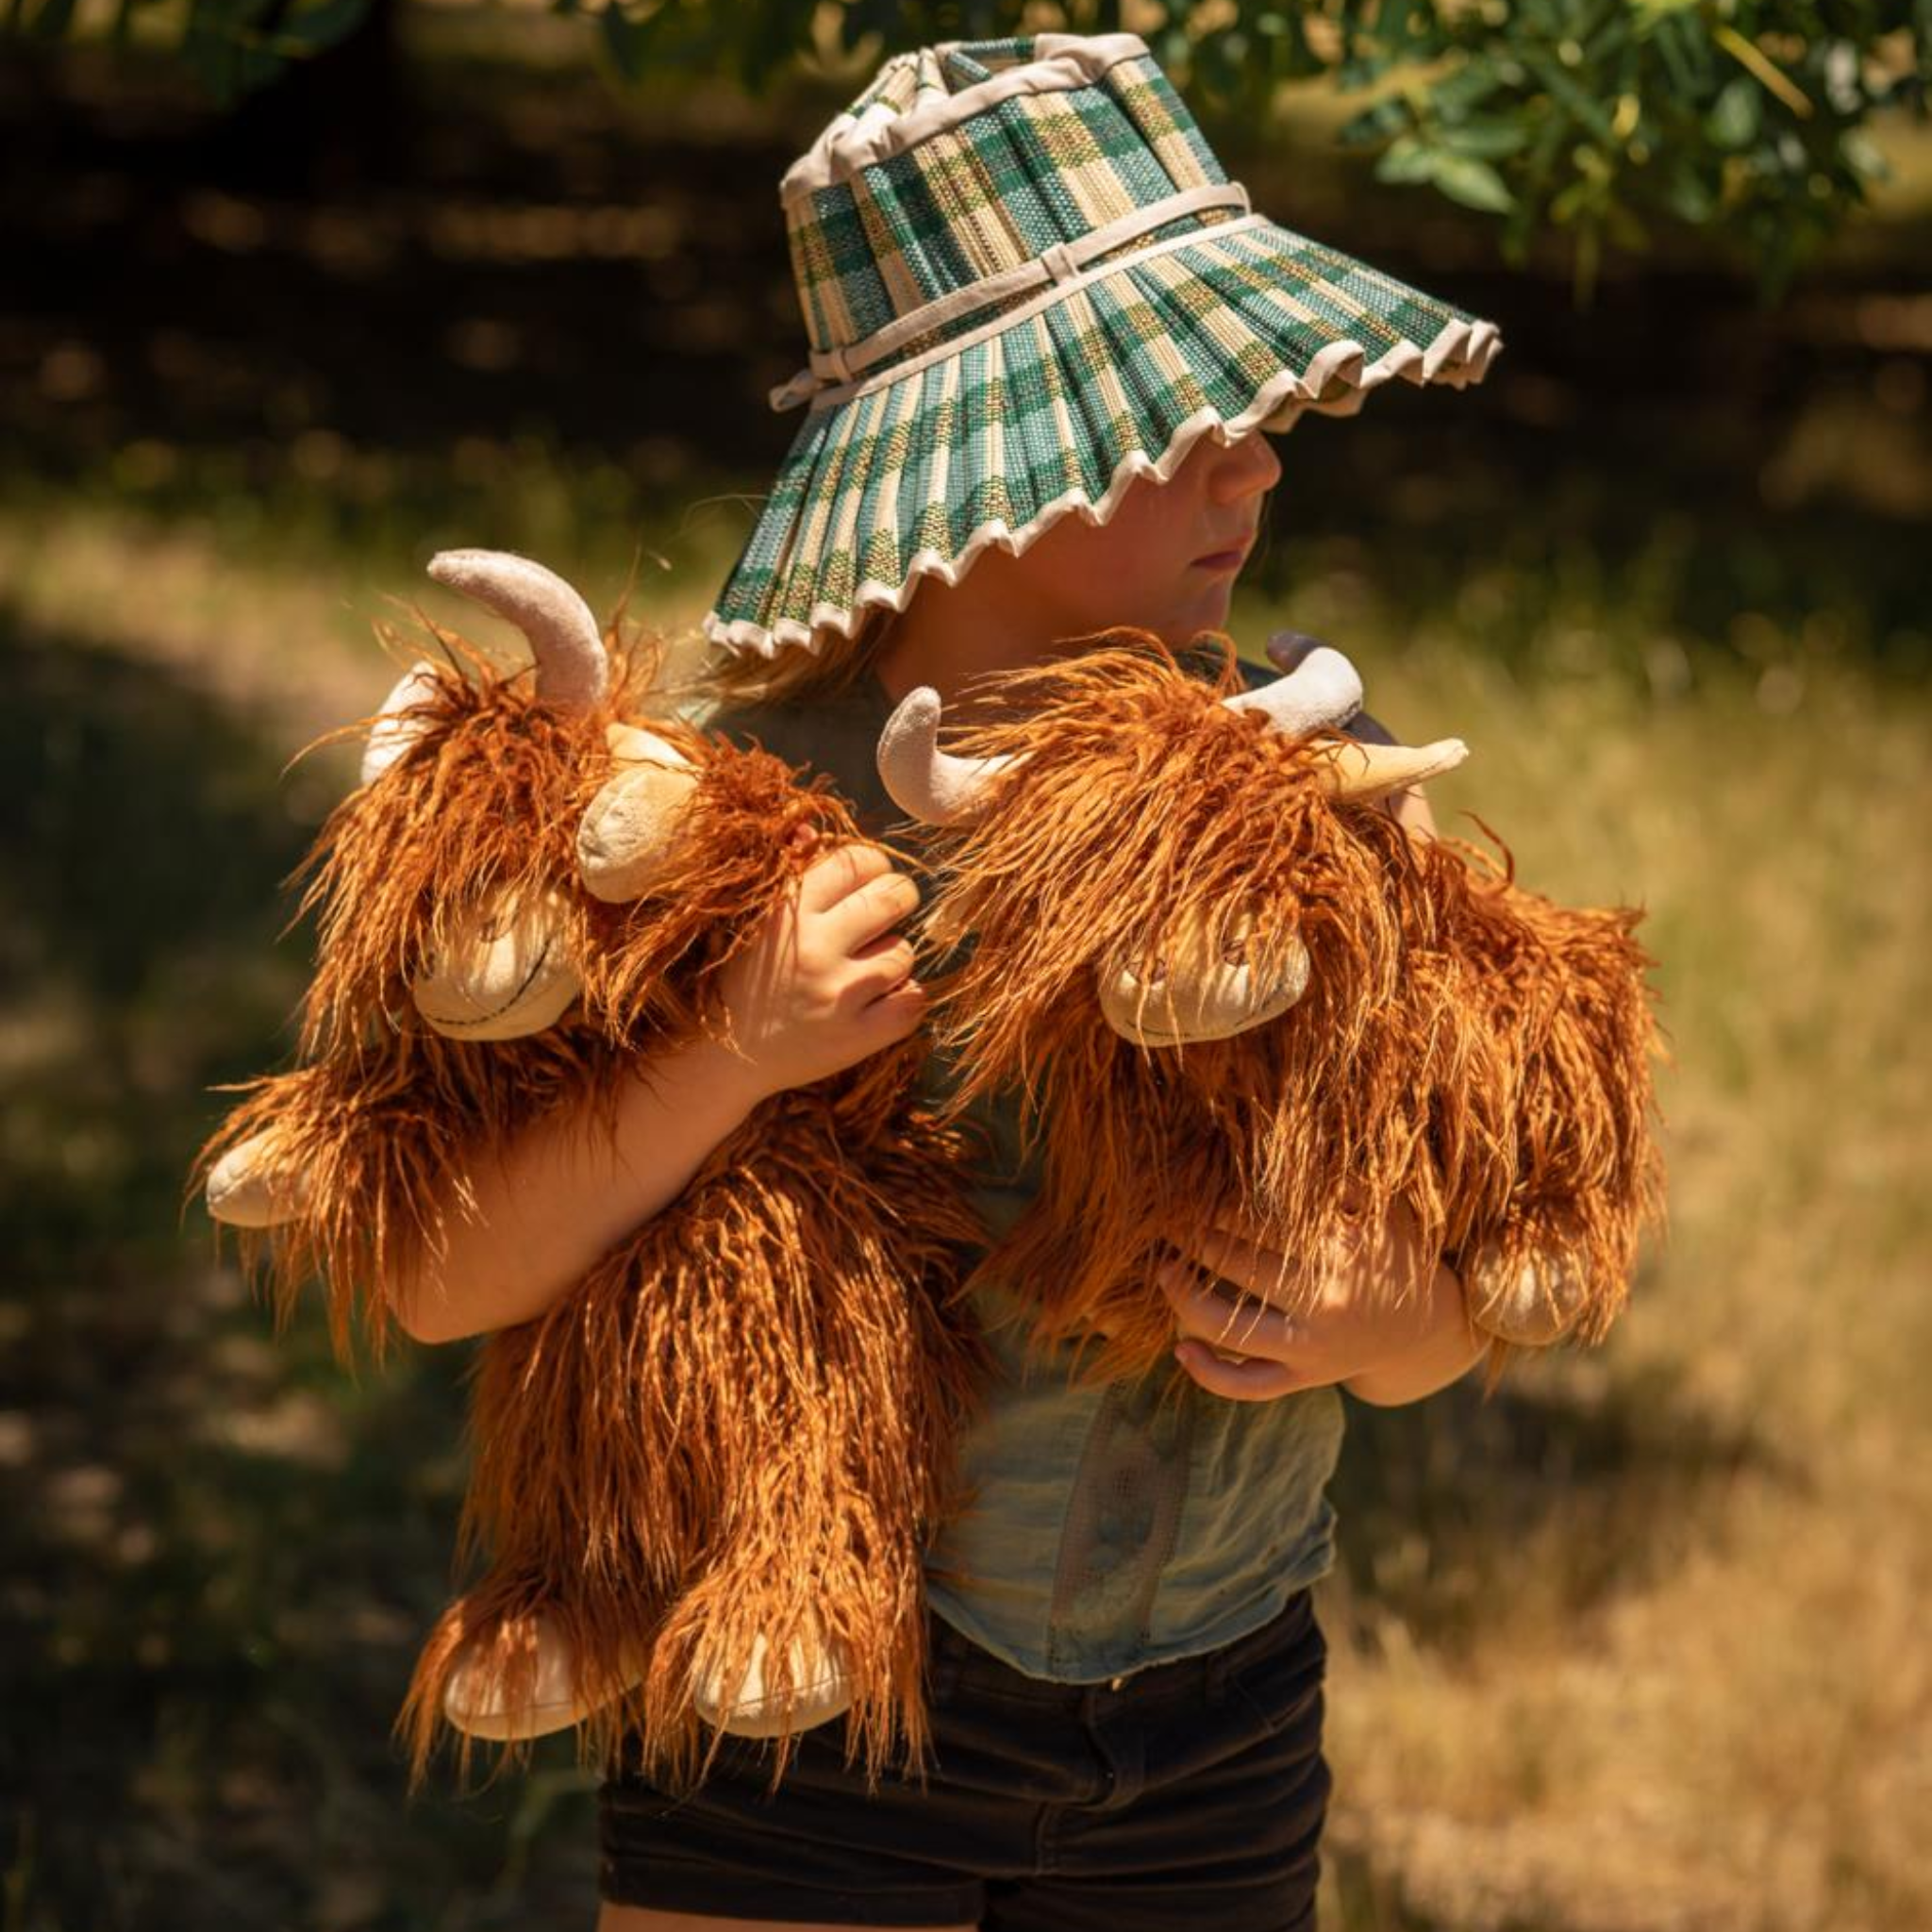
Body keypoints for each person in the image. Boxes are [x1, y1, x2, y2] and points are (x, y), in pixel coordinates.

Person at [397, 31, 1506, 1930]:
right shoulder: (683, 820)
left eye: (1258, 402)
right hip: (800, 1705)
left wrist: (1392, 1315)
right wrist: (729, 1052)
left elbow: (1468, 1265)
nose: (1255, 458)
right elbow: (437, 1270)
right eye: (1184, 416)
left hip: (1219, 1705)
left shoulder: (1304, 774)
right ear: (995, 465)